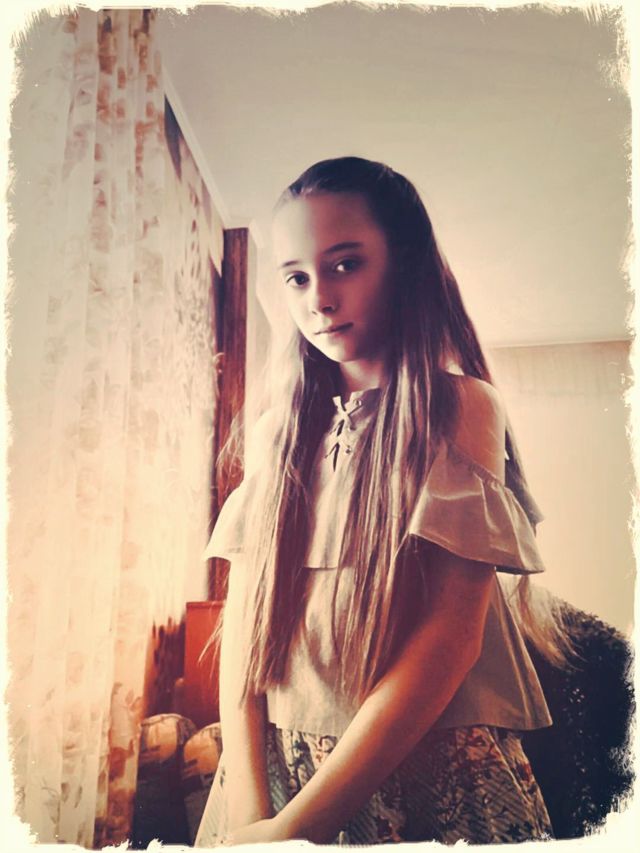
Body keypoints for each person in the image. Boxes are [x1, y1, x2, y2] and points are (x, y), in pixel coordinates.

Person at [194, 157, 570, 846]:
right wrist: (254, 818)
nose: (319, 298)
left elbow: (449, 639)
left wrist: (300, 826)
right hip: (276, 772)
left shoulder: (462, 406)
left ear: (405, 265)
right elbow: (244, 629)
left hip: (423, 767)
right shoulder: (277, 431)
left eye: (345, 264)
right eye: (297, 277)